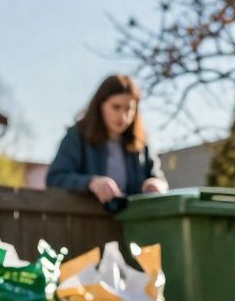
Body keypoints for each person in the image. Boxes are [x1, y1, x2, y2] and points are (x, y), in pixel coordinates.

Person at [46, 74, 168, 211]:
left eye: (129, 109)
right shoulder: (78, 136)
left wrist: (156, 185)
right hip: (86, 222)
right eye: (116, 107)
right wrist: (91, 183)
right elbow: (55, 178)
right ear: (100, 106)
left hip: (133, 224)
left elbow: (158, 179)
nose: (123, 116)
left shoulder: (140, 142)